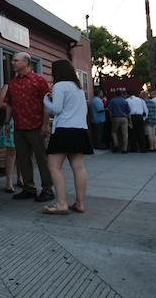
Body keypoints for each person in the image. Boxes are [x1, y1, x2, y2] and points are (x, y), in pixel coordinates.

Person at [40, 59, 93, 214]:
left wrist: (45, 100)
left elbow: (55, 109)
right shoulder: (78, 88)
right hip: (80, 130)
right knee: (79, 167)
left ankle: (61, 204)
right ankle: (80, 203)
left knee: (54, 167)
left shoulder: (59, 86)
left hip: (64, 130)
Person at [4, 52, 54, 203]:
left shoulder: (39, 80)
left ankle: (47, 190)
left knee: (42, 159)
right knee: (23, 159)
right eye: (13, 60)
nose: (13, 62)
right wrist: (7, 123)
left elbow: (47, 104)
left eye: (16, 60)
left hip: (37, 126)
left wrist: (45, 124)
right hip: (19, 128)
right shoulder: (12, 83)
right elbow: (9, 104)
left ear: (26, 63)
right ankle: (29, 188)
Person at [0, 83, 20, 193]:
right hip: (11, 121)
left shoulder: (27, 84)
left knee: (23, 151)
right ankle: (9, 181)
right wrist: (15, 106)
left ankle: (21, 178)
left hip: (24, 119)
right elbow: (0, 103)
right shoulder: (8, 85)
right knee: (11, 151)